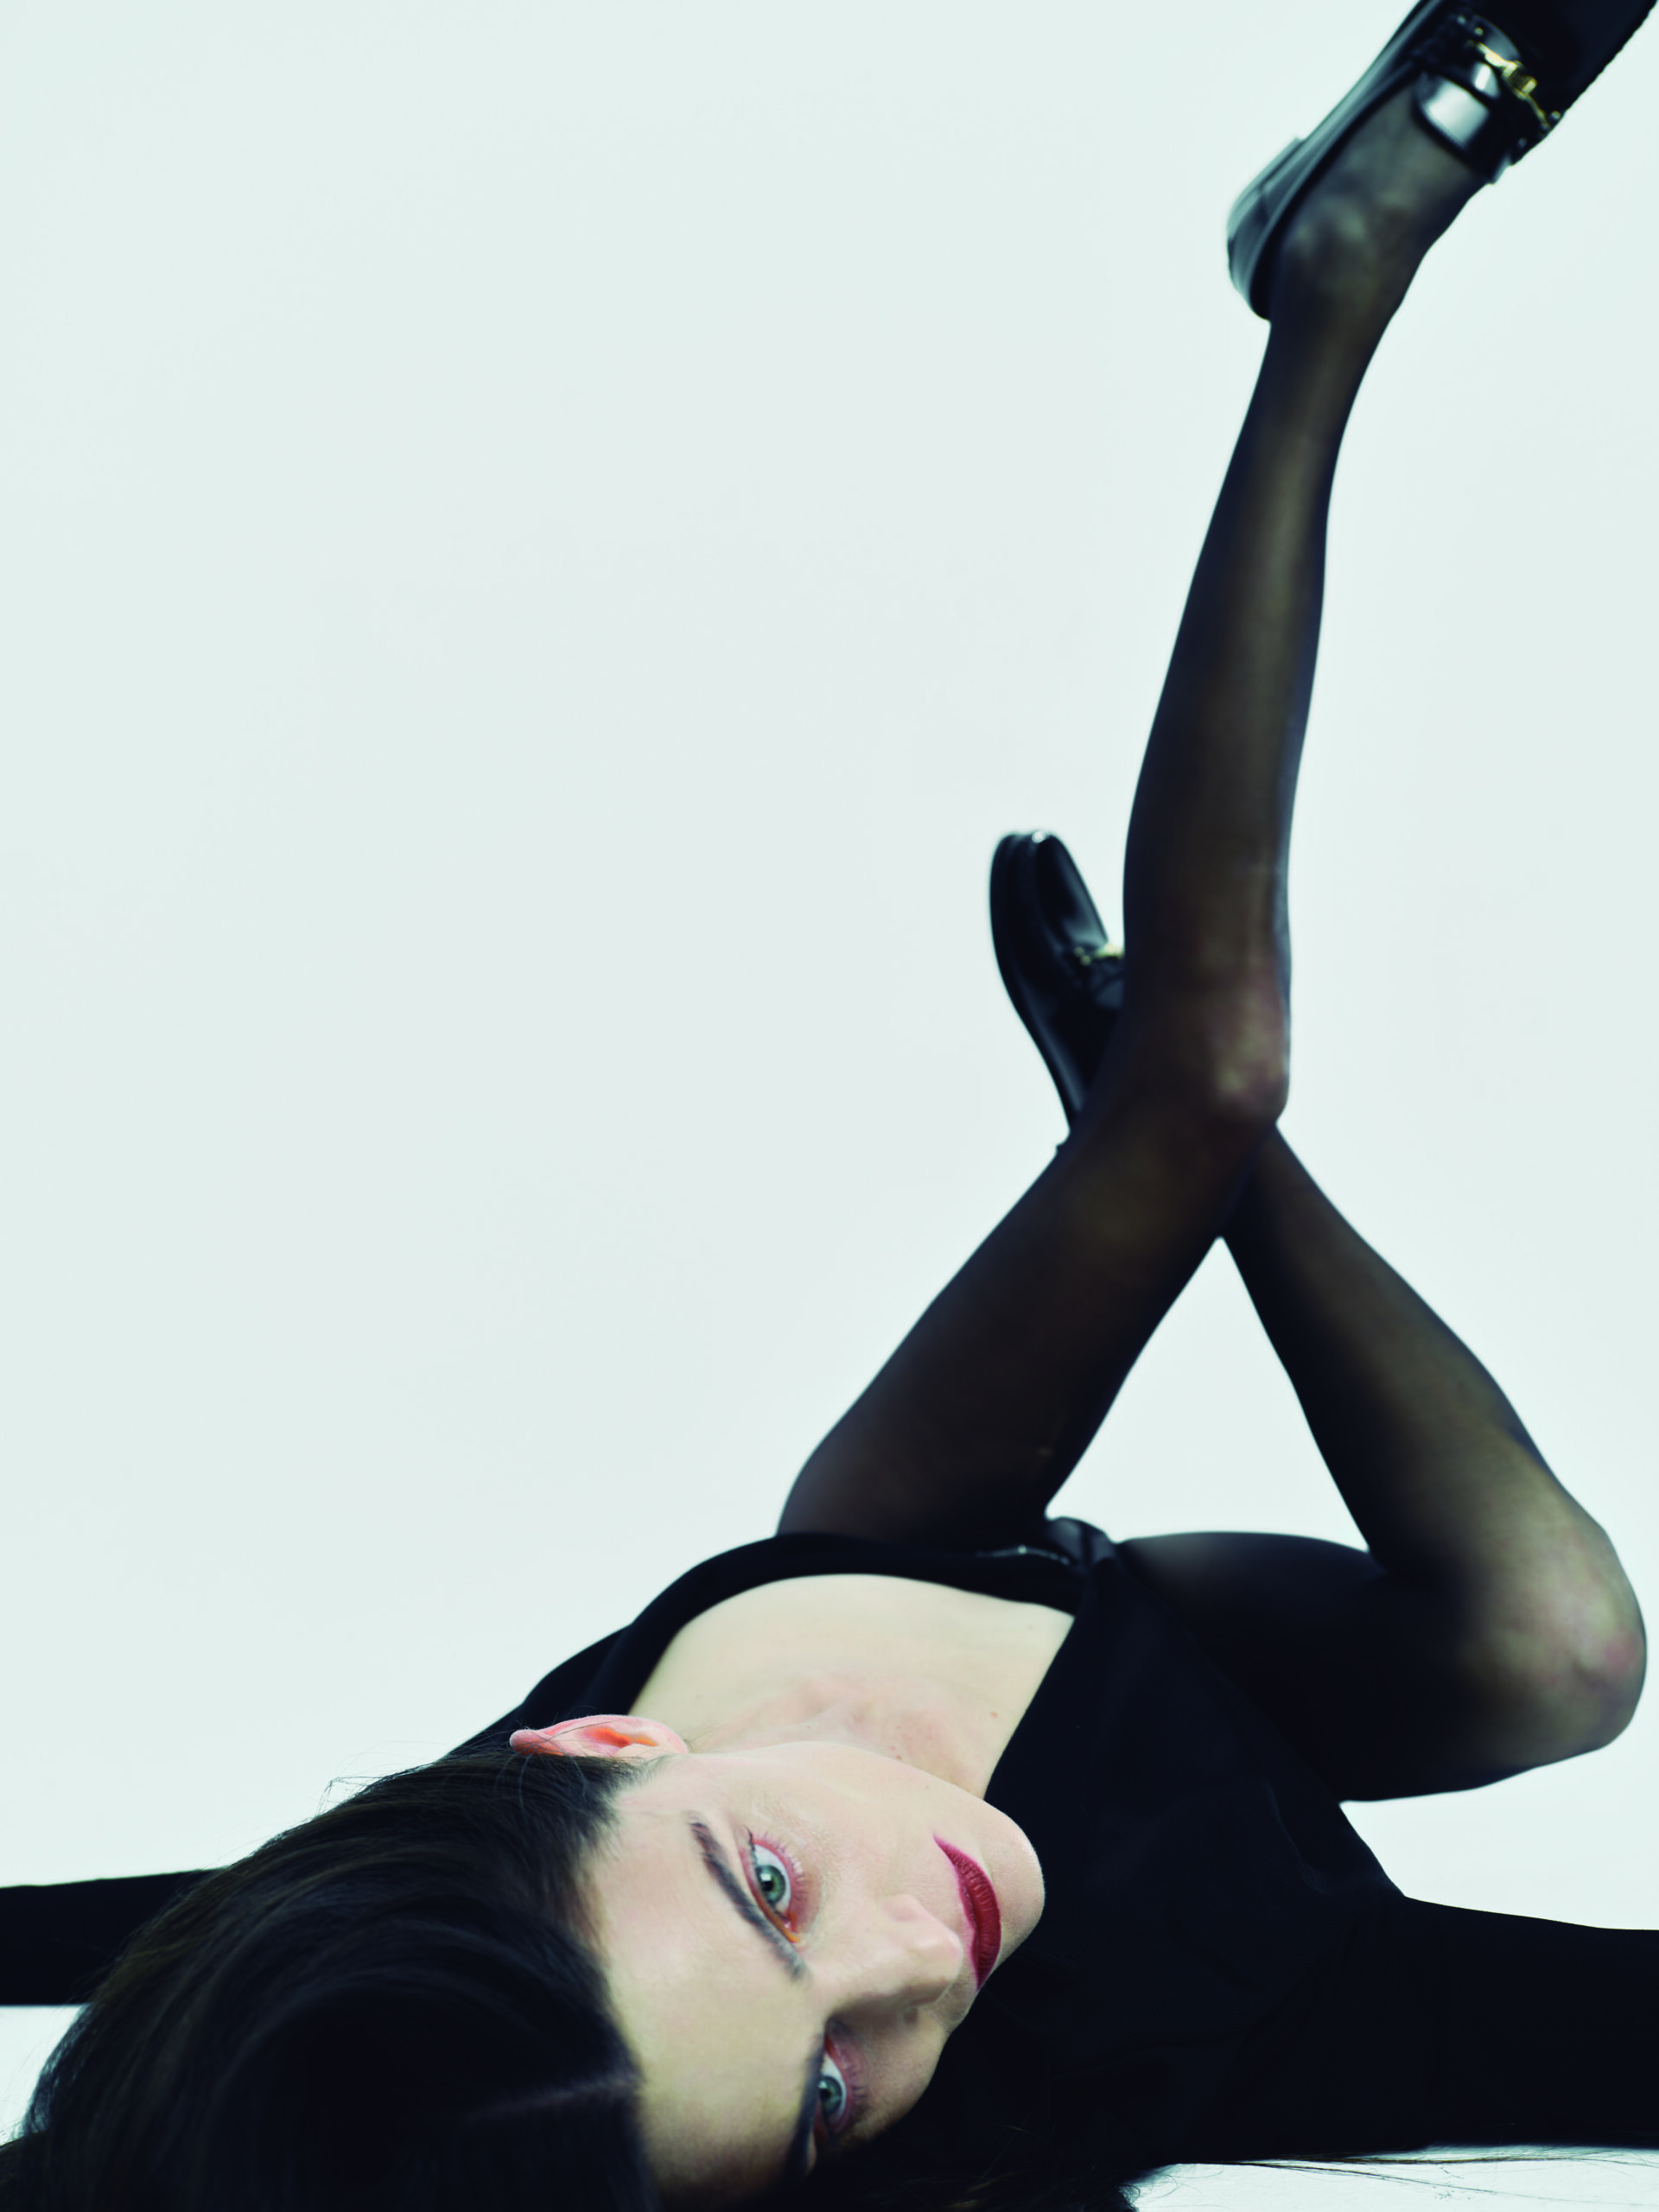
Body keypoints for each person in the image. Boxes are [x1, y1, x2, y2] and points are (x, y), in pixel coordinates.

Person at [3, 3, 1656, 2207]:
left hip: (920, 1565)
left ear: (594, 1741)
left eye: (772, 1886)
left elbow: (183, 1993)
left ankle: (1332, 286)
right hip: (1216, 1886)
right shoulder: (1145, 2052)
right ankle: (1152, 1117)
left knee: (1217, 1064)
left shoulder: (429, 1947)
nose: (916, 1951)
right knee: (1565, 1650)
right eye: (819, 2090)